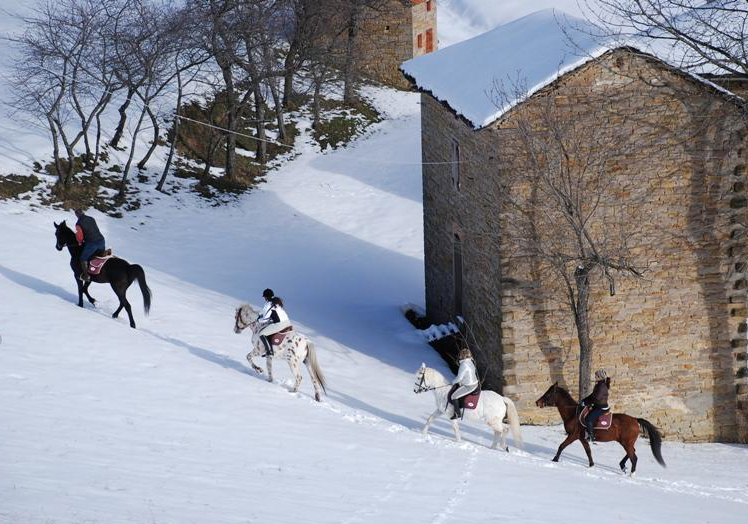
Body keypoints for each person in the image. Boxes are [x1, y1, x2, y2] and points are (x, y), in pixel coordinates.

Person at [74, 208, 106, 282]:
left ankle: (86, 276)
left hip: (92, 243)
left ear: (77, 215)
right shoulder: (91, 218)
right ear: (83, 212)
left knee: (83, 258)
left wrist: (79, 242)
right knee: (99, 255)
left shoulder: (79, 223)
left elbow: (80, 237)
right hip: (101, 240)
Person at [581, 369, 611, 442]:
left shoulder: (602, 386)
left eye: (596, 376)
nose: (595, 377)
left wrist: (587, 403)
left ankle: (591, 436)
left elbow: (596, 398)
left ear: (600, 377)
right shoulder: (598, 385)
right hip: (597, 405)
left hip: (601, 407)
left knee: (588, 419)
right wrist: (584, 400)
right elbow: (592, 395)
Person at [450, 348, 479, 420]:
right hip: (475, 383)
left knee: (454, 396)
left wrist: (452, 382)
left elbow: (459, 378)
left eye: (460, 355)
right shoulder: (471, 361)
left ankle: (457, 413)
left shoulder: (463, 365)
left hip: (469, 386)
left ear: (462, 356)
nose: (459, 356)